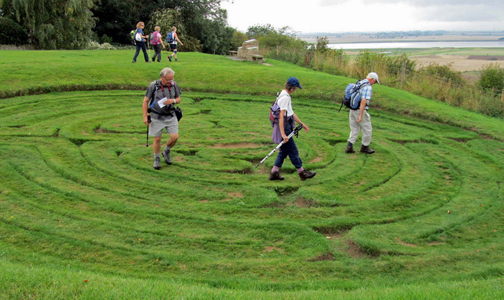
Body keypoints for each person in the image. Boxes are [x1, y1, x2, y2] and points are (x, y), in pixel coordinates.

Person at [269, 77, 317, 181]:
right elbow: (281, 116)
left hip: (286, 125)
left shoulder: (283, 94)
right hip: (285, 127)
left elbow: (290, 112)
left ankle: (274, 172)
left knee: (283, 151)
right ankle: (302, 173)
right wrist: (283, 134)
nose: (295, 90)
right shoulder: (285, 98)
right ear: (292, 88)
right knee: (293, 150)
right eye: (295, 88)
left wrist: (302, 123)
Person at [142, 68, 182, 170]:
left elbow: (178, 99)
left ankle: (166, 151)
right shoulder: (153, 86)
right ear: (162, 77)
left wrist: (172, 101)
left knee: (175, 137)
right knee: (157, 138)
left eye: (171, 80)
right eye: (168, 80)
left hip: (171, 115)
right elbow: (145, 100)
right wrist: (145, 116)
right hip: (156, 116)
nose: (170, 82)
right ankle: (157, 158)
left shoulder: (174, 85)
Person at [345, 72, 380, 154]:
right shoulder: (367, 87)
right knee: (367, 128)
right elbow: (364, 101)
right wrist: (361, 115)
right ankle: (365, 147)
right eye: (375, 81)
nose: (374, 83)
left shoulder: (359, 82)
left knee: (354, 129)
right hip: (359, 110)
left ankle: (349, 146)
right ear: (372, 79)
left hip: (352, 109)